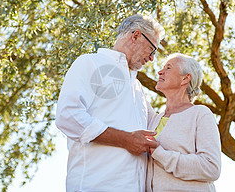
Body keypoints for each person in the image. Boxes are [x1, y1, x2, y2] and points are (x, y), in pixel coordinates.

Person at [55, 15, 165, 192]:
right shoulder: (90, 63)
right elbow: (68, 117)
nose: (152, 58)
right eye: (152, 49)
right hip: (95, 186)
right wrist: (127, 140)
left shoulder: (138, 89)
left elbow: (160, 126)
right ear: (135, 36)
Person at [146, 53, 222, 191]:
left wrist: (159, 153)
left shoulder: (200, 114)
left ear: (185, 78)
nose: (160, 72)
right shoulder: (154, 119)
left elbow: (211, 167)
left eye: (168, 68)